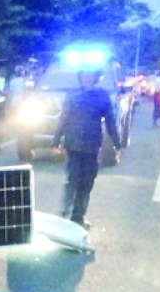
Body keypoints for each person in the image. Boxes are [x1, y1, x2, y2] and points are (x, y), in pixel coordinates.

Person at [52, 70, 121, 230]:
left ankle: (78, 217)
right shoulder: (72, 96)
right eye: (84, 77)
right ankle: (64, 215)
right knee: (72, 179)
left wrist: (117, 144)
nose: (87, 80)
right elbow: (63, 119)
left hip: (91, 146)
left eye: (90, 77)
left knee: (87, 182)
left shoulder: (102, 97)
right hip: (73, 145)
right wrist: (55, 142)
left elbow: (111, 122)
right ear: (80, 79)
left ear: (95, 79)